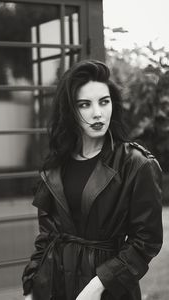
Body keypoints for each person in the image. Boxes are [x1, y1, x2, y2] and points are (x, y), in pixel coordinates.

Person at [22, 60, 163, 300]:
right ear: (70, 111)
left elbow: (146, 240)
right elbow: (46, 236)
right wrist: (32, 285)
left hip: (107, 290)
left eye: (104, 102)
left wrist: (99, 284)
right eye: (85, 105)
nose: (97, 113)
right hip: (55, 285)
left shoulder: (137, 164)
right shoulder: (56, 164)